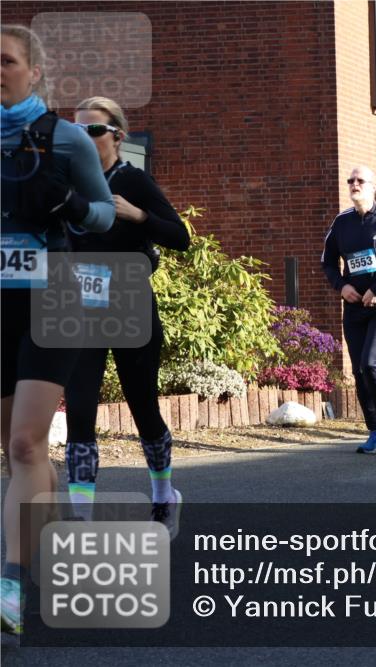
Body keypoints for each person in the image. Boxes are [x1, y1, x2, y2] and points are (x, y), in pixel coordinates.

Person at [1, 24, 115, 641]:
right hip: (0, 302)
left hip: (56, 292)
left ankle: (11, 586)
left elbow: (100, 214)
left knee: (24, 445)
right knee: (19, 454)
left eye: (7, 61)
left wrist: (68, 205)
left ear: (34, 72)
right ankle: (38, 560)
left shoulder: (64, 137)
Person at [63, 97, 190, 529]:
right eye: (76, 131)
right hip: (80, 307)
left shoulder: (133, 181)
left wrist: (138, 215)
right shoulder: (68, 182)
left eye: (93, 130)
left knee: (142, 406)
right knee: (80, 411)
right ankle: (81, 517)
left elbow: (180, 237)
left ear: (117, 135)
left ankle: (162, 494)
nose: (83, 138)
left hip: (130, 303)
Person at [322, 166, 376, 453]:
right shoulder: (341, 222)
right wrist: (342, 286)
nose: (354, 184)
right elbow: (328, 262)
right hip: (354, 307)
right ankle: (374, 429)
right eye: (351, 181)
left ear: (372, 186)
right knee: (358, 369)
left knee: (371, 363)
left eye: (360, 181)